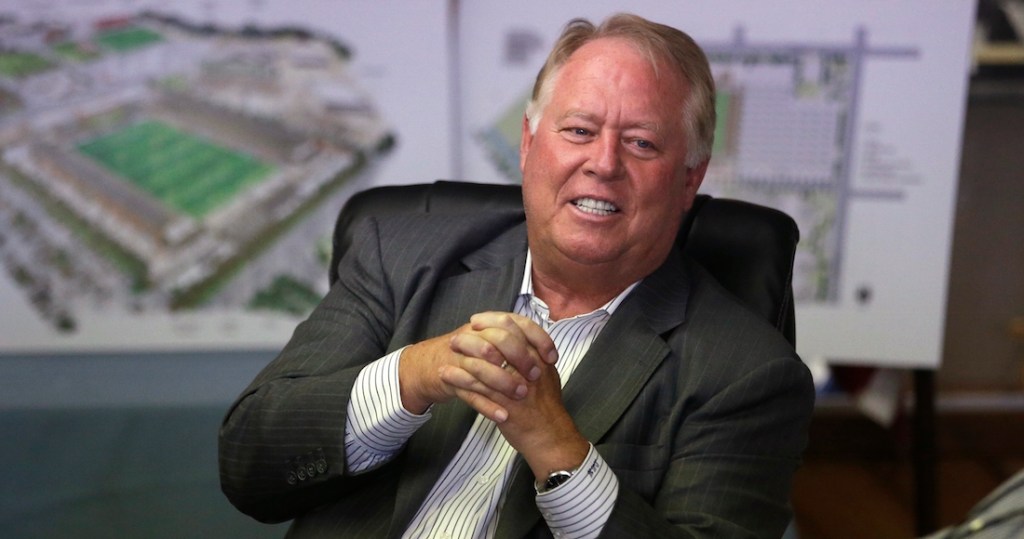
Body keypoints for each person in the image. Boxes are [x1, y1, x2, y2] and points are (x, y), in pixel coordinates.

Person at [219, 12, 815, 539]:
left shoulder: (747, 374)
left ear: (689, 179)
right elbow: (250, 463)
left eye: (641, 143)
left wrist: (556, 447)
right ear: (529, 144)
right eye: (579, 131)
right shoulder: (399, 256)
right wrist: (415, 374)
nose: (603, 163)